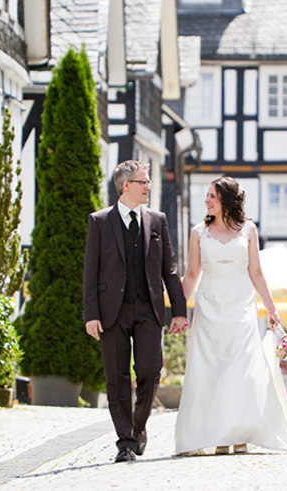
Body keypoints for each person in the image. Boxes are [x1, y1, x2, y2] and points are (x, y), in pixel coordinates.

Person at [174, 176, 287, 456]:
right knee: (211, 371)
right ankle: (215, 435)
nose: (206, 200)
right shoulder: (198, 233)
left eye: (212, 196)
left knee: (241, 371)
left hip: (241, 308)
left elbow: (256, 272)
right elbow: (192, 274)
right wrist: (178, 311)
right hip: (208, 308)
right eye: (206, 195)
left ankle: (240, 434)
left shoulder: (249, 230)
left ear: (227, 200)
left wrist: (271, 309)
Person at [83, 160, 188, 463]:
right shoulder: (99, 221)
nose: (148, 186)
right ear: (125, 185)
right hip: (111, 311)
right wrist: (91, 313)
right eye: (143, 182)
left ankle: (138, 427)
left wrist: (178, 311)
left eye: (148, 181)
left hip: (148, 309)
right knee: (116, 379)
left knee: (149, 371)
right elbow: (91, 272)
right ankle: (125, 442)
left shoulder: (157, 220)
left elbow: (169, 270)